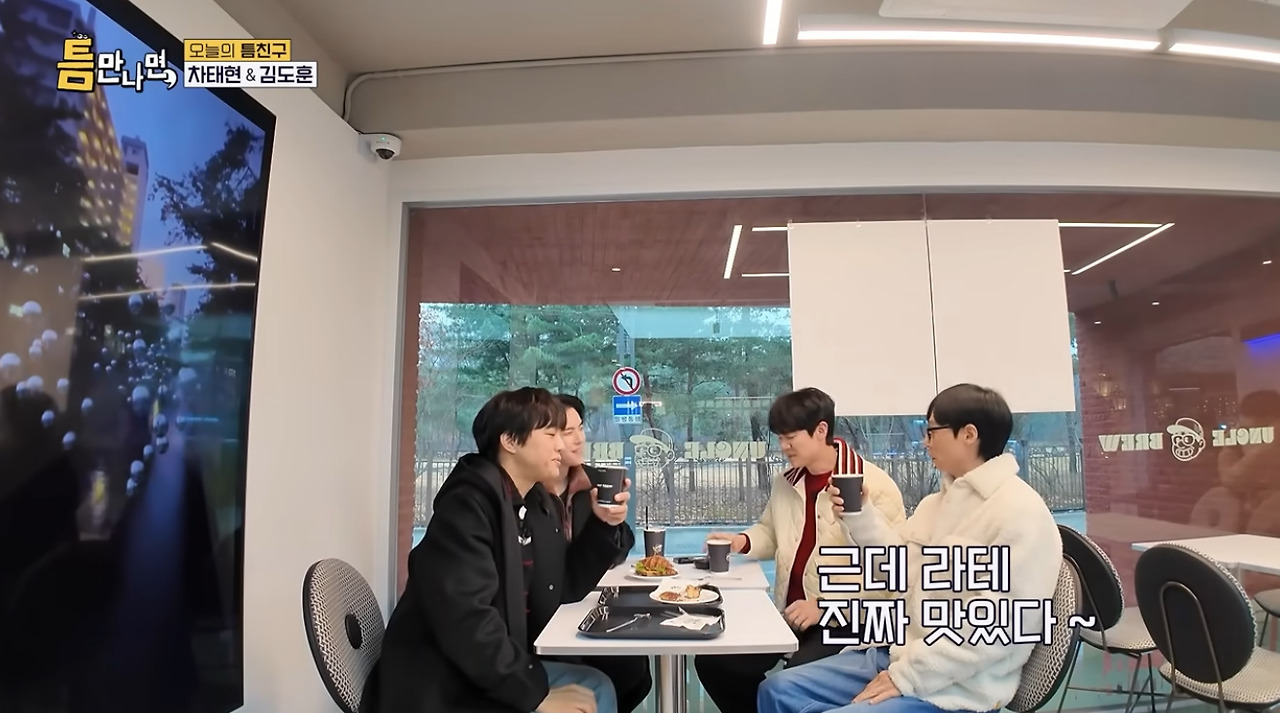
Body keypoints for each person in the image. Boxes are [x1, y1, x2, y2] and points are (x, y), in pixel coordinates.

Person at [757, 383, 1063, 713]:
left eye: (931, 432)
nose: (925, 442)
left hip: (955, 684)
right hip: (898, 653)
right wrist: (860, 516)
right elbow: (896, 571)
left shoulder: (1019, 512)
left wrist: (907, 676)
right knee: (776, 691)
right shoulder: (936, 504)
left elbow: (1000, 628)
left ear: (968, 434)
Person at [362, 387, 632, 713]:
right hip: (443, 683)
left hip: (485, 667)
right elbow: (465, 620)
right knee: (595, 688)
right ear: (510, 441)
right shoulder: (468, 505)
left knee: (601, 682)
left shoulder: (533, 504)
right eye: (551, 434)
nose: (562, 445)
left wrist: (603, 523)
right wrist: (534, 695)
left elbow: (563, 586)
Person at [694, 387, 907, 713]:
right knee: (716, 664)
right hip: (790, 614)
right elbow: (771, 530)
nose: (784, 446)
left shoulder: (873, 486)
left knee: (791, 681)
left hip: (848, 623)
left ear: (821, 430)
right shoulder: (787, 481)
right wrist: (740, 541)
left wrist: (824, 607)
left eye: (791, 437)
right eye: (780, 437)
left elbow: (892, 572)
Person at [547, 393, 652, 713]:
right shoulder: (527, 491)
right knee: (613, 671)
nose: (579, 439)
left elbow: (622, 545)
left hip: (583, 600)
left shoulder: (593, 481)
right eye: (567, 432)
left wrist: (611, 522)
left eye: (580, 428)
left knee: (635, 671)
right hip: (544, 615)